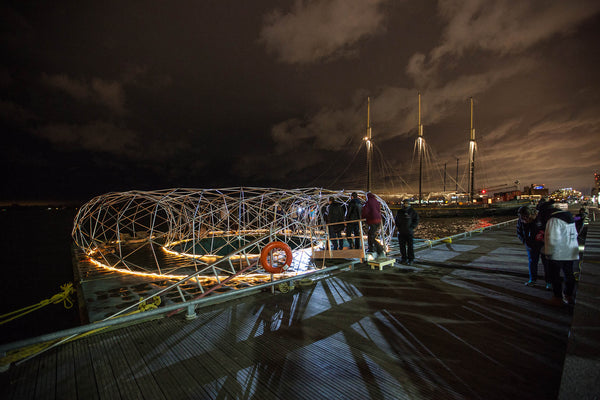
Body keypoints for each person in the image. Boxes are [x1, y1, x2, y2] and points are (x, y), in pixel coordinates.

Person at [544, 206, 579, 306]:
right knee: (569, 274)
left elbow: (552, 238)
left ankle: (557, 297)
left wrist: (548, 252)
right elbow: (575, 234)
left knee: (555, 276)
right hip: (570, 251)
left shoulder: (554, 220)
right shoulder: (570, 219)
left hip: (558, 253)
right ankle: (569, 295)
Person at [516, 206, 548, 287]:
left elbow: (547, 229)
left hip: (543, 244)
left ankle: (549, 281)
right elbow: (519, 232)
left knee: (546, 263)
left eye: (526, 218)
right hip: (530, 245)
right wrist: (525, 242)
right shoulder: (521, 221)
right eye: (523, 218)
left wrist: (543, 236)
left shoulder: (540, 218)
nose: (525, 220)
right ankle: (532, 280)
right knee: (532, 262)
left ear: (531, 215)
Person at [395, 199, 419, 265]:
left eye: (406, 203)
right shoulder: (399, 212)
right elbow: (396, 220)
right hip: (401, 232)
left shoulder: (412, 211)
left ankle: (411, 259)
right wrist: (399, 227)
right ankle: (404, 258)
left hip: (409, 232)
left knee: (410, 246)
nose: (405, 204)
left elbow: (416, 220)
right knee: (402, 246)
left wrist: (411, 227)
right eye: (404, 203)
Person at [361, 192, 385, 259]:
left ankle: (378, 249)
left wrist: (363, 217)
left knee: (371, 235)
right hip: (378, 220)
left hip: (372, 220)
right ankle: (373, 248)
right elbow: (379, 210)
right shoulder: (377, 201)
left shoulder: (368, 202)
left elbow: (365, 211)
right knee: (372, 234)